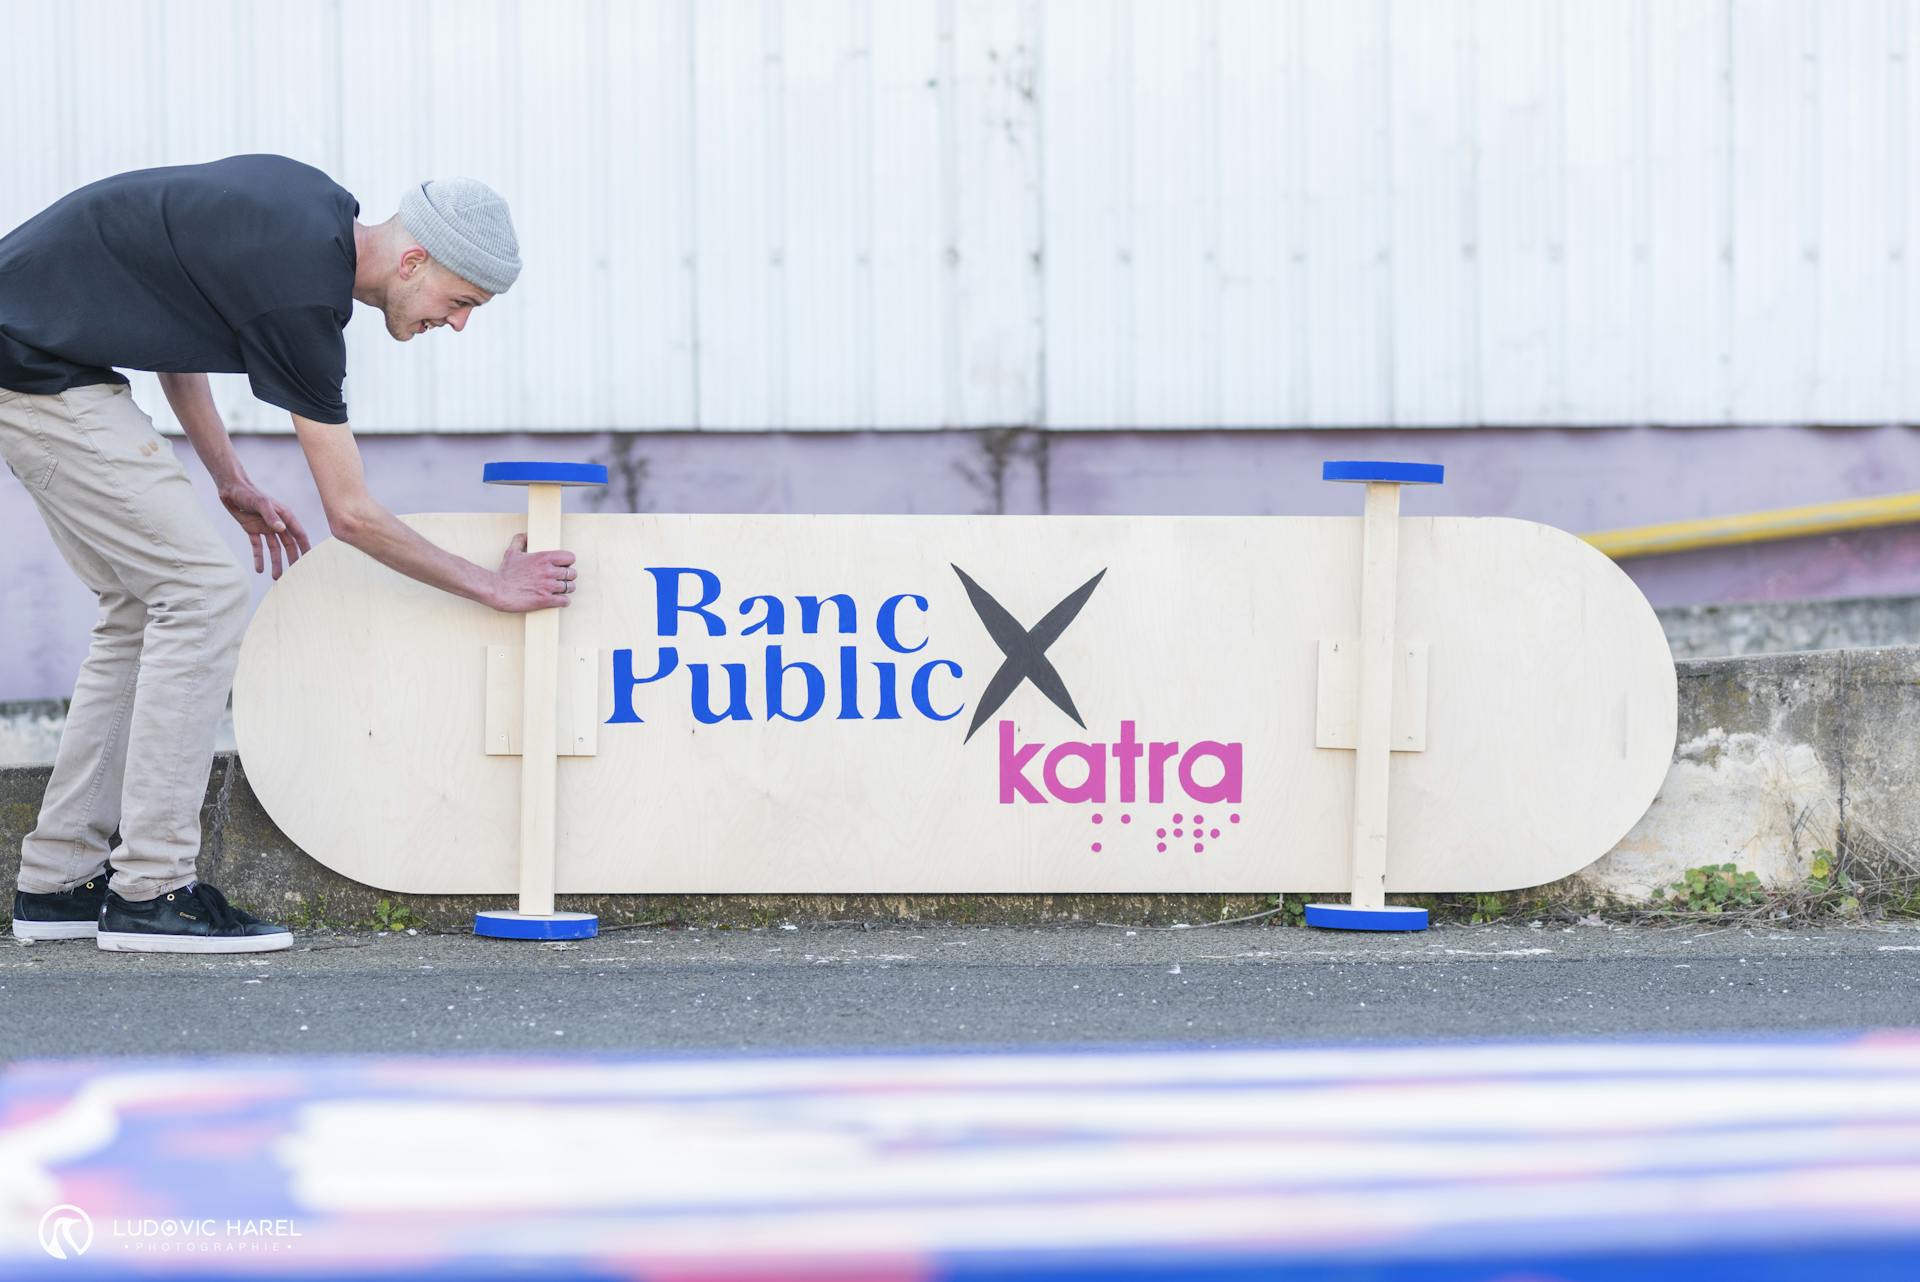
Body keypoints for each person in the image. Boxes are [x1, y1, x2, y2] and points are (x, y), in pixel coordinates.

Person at [0, 154, 578, 953]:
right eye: (461, 301)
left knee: (145, 605)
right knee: (199, 593)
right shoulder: (305, 298)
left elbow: (170, 323)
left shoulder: (311, 212)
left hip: (37, 355)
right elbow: (353, 514)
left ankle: (59, 882)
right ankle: (154, 888)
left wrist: (230, 478)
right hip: (35, 368)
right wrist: (493, 585)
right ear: (414, 261)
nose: (458, 323)